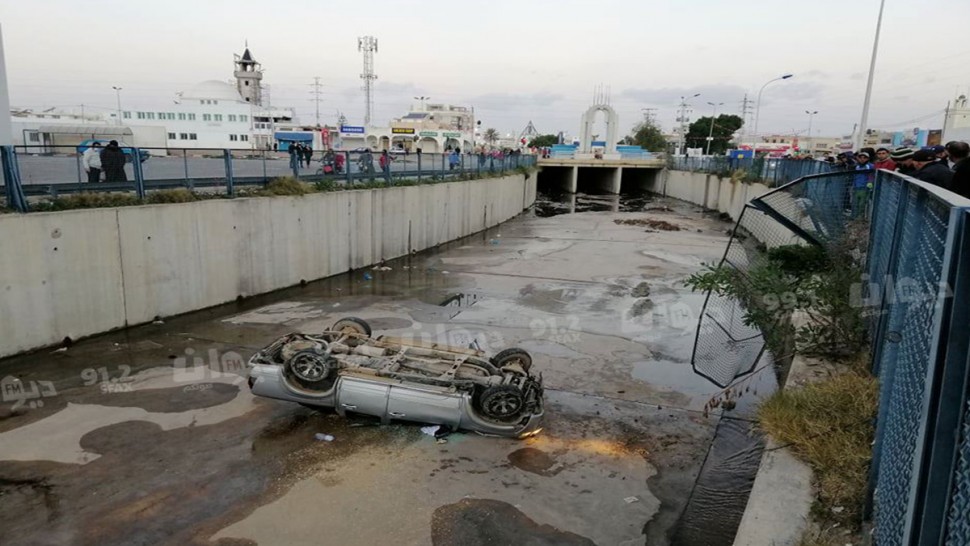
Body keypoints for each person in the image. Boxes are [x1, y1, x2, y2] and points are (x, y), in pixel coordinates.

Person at [851, 151, 874, 218]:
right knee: (855, 203)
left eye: (864, 157)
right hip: (856, 187)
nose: (862, 159)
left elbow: (872, 175)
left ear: (868, 158)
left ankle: (860, 217)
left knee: (862, 204)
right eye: (860, 157)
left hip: (865, 188)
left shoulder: (870, 166)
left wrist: (870, 182)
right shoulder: (857, 166)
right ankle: (854, 216)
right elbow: (854, 176)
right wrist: (853, 185)